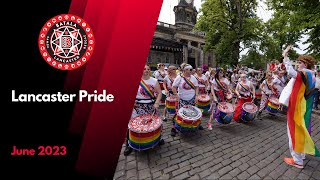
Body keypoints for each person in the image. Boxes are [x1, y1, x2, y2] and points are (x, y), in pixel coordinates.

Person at [282, 45, 319, 168]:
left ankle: (297, 160)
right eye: (297, 62)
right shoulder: (312, 75)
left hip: (296, 107)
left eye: (300, 62)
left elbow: (290, 71)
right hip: (303, 107)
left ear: (306, 65)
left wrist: (285, 55)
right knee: (301, 130)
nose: (298, 64)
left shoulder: (303, 74)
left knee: (293, 132)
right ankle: (301, 154)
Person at [124, 65, 163, 156]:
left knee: (153, 123)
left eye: (148, 69)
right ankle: (129, 144)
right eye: (144, 69)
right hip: (137, 106)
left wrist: (157, 103)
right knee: (132, 125)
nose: (146, 70)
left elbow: (159, 93)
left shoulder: (154, 81)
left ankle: (157, 138)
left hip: (151, 106)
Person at [171, 64, 203, 136]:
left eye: (190, 70)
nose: (189, 71)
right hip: (182, 99)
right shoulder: (179, 78)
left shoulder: (193, 78)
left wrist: (197, 96)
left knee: (192, 113)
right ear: (184, 70)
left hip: (191, 98)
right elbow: (173, 87)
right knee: (179, 113)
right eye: (187, 70)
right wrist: (176, 95)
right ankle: (174, 128)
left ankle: (194, 125)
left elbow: (197, 87)